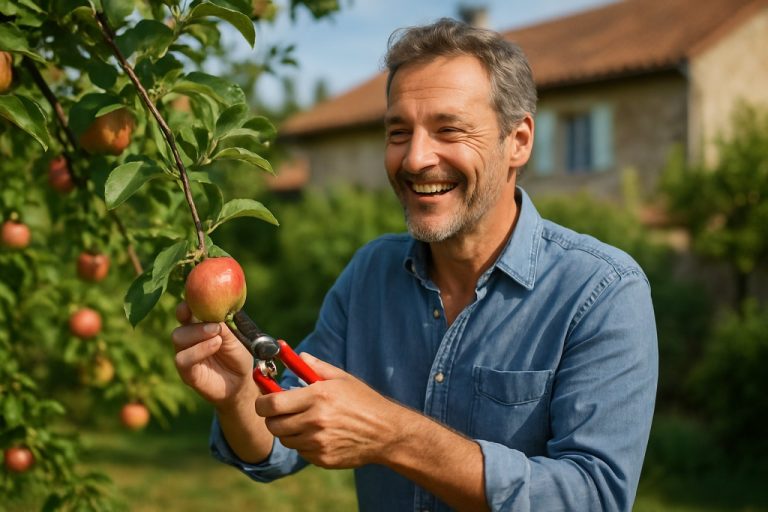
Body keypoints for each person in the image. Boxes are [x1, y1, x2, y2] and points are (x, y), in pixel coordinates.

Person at [171, 18, 658, 512]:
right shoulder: (370, 275)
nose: (415, 158)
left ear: (519, 141)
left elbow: (593, 498)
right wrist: (236, 395)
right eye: (398, 132)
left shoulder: (602, 292)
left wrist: (393, 436)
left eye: (449, 129)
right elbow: (280, 445)